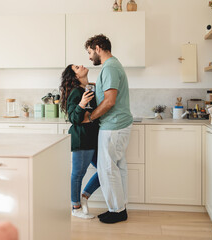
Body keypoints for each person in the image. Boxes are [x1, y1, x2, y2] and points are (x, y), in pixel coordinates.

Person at [83, 34, 133, 224]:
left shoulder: (110, 67)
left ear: (98, 48)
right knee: (118, 168)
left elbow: (110, 101)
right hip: (119, 124)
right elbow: (108, 92)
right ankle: (120, 207)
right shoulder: (112, 66)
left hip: (113, 125)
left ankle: (117, 211)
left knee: (107, 169)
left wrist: (90, 117)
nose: (89, 57)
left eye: (89, 52)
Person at [60, 64, 101, 219]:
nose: (82, 66)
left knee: (105, 170)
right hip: (81, 138)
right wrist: (82, 103)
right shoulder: (76, 92)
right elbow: (74, 118)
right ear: (75, 76)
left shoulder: (89, 88)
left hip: (93, 138)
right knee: (77, 174)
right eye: (77, 67)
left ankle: (85, 196)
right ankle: (75, 207)